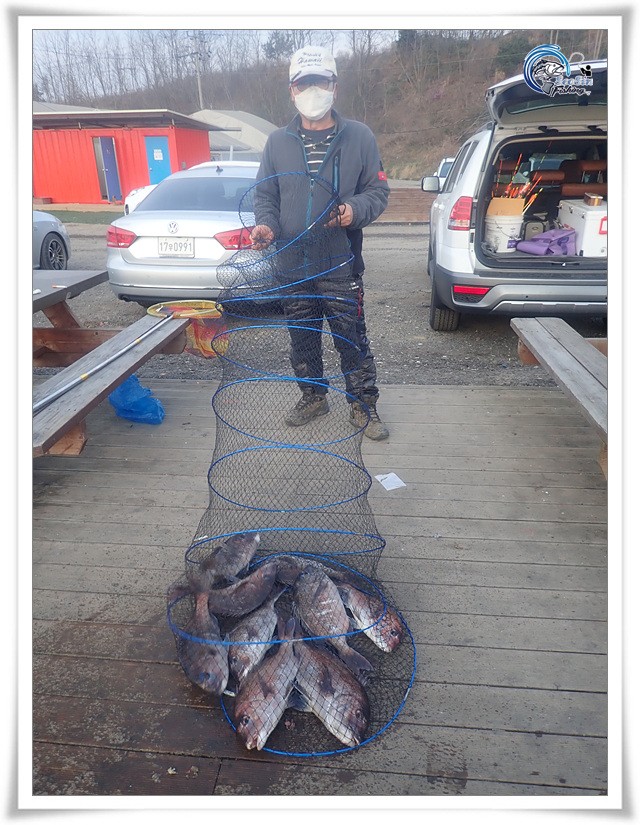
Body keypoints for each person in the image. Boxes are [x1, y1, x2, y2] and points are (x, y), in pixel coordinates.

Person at [250, 45, 390, 441]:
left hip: (339, 262)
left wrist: (352, 210)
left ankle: (363, 405)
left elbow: (377, 192)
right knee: (303, 338)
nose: (313, 90)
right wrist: (266, 226)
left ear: (335, 86)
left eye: (321, 82)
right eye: (304, 83)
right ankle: (313, 397)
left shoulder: (359, 136)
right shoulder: (276, 142)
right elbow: (265, 196)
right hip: (292, 264)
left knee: (351, 338)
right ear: (292, 91)